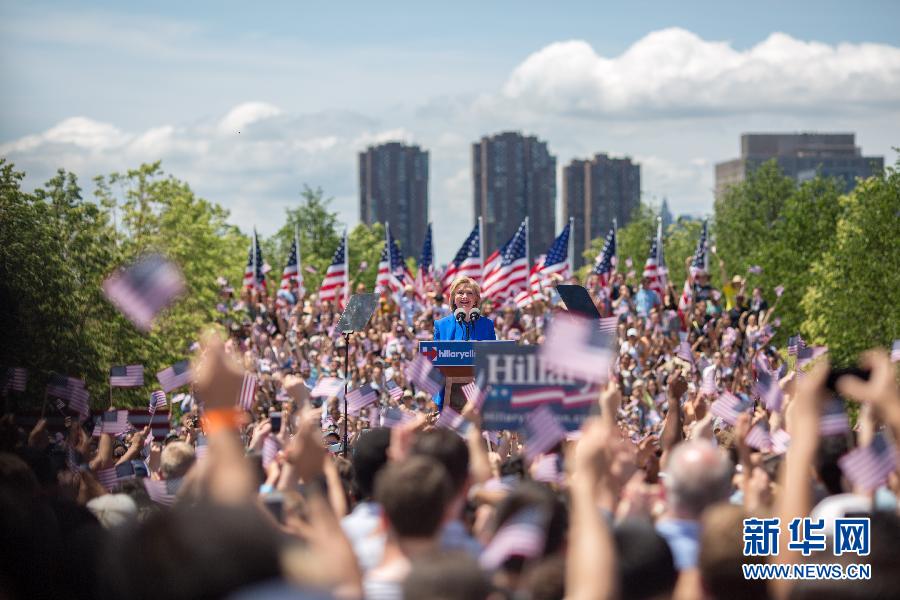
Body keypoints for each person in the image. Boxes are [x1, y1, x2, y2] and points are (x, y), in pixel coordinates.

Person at [432, 277, 496, 409]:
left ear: (476, 299)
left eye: (469, 293)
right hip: (449, 393)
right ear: (453, 298)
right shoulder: (441, 325)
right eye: (460, 293)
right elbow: (434, 359)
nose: (464, 296)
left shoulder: (487, 325)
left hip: (479, 393)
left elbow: (493, 357)